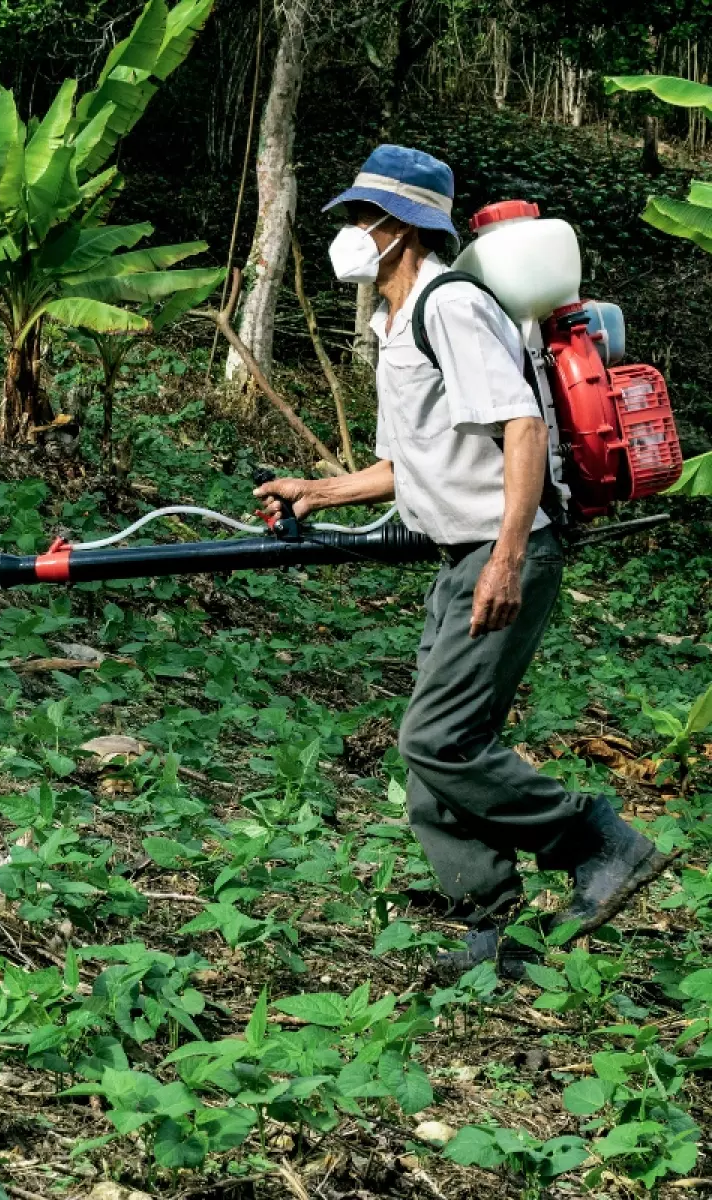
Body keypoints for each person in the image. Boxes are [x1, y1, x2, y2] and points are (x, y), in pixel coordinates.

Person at [254, 144, 672, 977]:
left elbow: (520, 427)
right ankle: (493, 931)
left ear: (404, 229)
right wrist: (318, 490)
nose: (346, 232)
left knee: (438, 738)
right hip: (459, 555)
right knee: (431, 756)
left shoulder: (450, 308)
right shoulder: (393, 321)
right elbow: (412, 461)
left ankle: (598, 839)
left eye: (360, 218)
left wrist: (506, 559)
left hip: (503, 549)